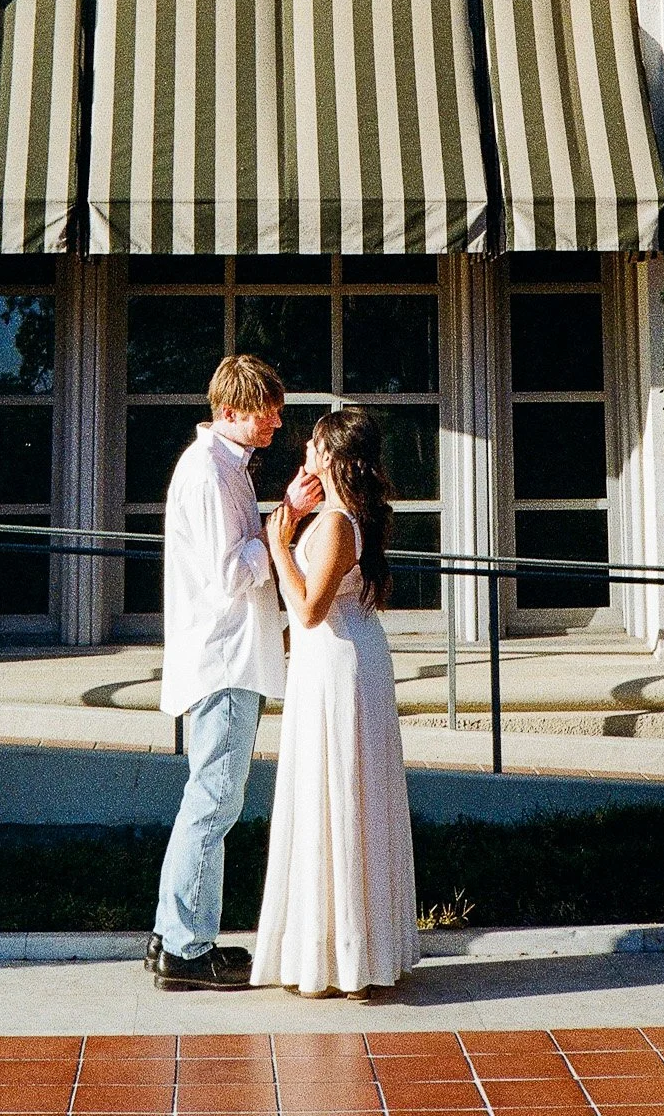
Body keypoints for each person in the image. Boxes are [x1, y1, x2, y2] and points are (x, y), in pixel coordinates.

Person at [149, 351, 321, 992]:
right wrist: (288, 521)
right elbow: (232, 571)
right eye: (265, 414)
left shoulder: (222, 468)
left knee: (208, 799)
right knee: (214, 801)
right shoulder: (213, 474)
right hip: (223, 657)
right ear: (228, 413)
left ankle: (174, 934)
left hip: (224, 653)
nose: (276, 423)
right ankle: (186, 949)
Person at [251, 405, 420, 998]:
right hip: (336, 660)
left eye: (315, 448)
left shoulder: (339, 524)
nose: (305, 455)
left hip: (338, 664)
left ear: (336, 458)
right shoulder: (341, 519)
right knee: (336, 796)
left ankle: (343, 959)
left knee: (340, 796)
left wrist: (278, 542)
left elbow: (309, 608)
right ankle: (343, 949)